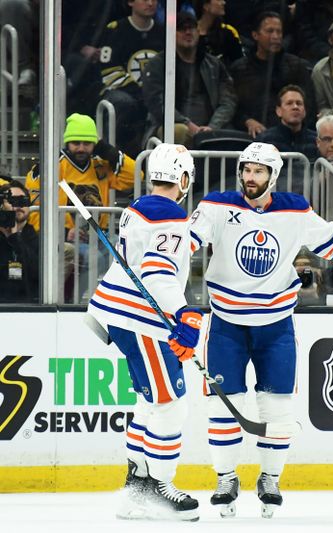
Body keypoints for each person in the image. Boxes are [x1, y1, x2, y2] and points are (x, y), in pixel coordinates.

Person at [188, 142, 333, 519]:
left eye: (259, 171)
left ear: (272, 176)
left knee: (278, 408)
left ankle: (270, 479)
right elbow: (185, 242)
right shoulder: (216, 206)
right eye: (246, 170)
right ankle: (226, 478)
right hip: (226, 324)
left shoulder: (294, 209)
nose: (250, 177)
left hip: (276, 326)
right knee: (223, 405)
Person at [86, 143, 202, 521]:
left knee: (151, 402)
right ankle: (159, 487)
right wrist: (183, 313)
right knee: (171, 406)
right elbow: (156, 271)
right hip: (141, 321)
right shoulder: (169, 214)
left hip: (120, 314)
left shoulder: (139, 207)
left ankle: (136, 486)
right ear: (184, 179)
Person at [25, 113, 135, 235]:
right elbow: (34, 209)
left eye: (87, 143)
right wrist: (65, 232)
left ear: (95, 144)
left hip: (101, 235)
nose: (81, 148)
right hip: (62, 238)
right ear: (67, 143)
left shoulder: (100, 164)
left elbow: (134, 177)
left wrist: (107, 150)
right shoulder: (49, 165)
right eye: (76, 143)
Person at [142, 11, 240, 148]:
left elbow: (228, 100)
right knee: (180, 132)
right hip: (170, 126)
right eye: (182, 29)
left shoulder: (214, 64)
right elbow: (156, 103)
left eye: (192, 28)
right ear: (171, 33)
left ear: (198, 31)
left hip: (211, 127)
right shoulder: (157, 64)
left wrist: (212, 126)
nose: (188, 32)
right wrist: (187, 124)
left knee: (236, 138)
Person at [229, 11, 313, 138]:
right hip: (250, 137)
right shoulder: (239, 69)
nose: (276, 36)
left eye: (279, 32)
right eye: (270, 31)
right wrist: (247, 121)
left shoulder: (296, 66)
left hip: (291, 136)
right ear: (255, 35)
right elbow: (232, 107)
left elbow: (309, 105)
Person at [97, 0, 165, 155]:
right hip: (121, 92)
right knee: (123, 102)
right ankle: (110, 155)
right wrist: (141, 93)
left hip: (153, 95)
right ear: (130, 2)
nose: (150, 3)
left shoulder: (164, 33)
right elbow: (109, 72)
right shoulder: (115, 30)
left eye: (154, 0)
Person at [0, 181, 38, 303]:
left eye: (23, 201)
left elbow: (36, 273)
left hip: (27, 307)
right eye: (12, 200)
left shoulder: (38, 238)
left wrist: (15, 237)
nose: (18, 206)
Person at [194, 0, 244, 68]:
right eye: (219, 0)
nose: (224, 2)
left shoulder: (228, 32)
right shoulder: (190, 32)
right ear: (205, 6)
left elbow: (240, 64)